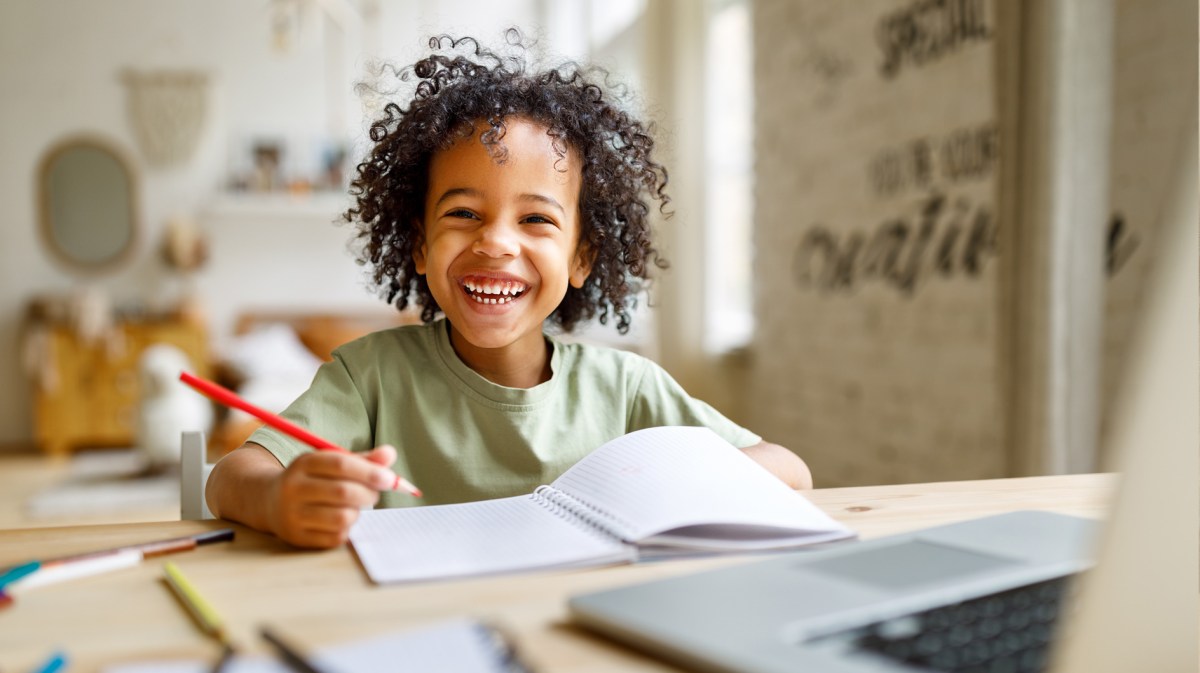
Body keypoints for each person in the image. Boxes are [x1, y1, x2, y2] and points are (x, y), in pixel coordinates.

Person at [205, 31, 812, 549]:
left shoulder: (628, 388)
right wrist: (279, 498)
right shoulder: (370, 377)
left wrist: (665, 483)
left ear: (581, 257)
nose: (496, 243)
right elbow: (231, 476)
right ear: (419, 245)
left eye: (536, 220)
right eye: (464, 213)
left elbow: (790, 472)